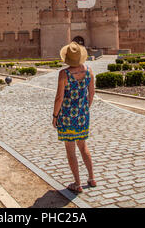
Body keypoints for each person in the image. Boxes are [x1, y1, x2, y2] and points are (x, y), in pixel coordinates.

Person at [52, 41, 96, 193]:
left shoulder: (64, 74)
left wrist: (55, 116)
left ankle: (77, 184)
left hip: (66, 118)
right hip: (83, 116)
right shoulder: (89, 71)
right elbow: (92, 93)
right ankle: (91, 178)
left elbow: (59, 98)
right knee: (83, 147)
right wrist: (84, 109)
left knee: (71, 151)